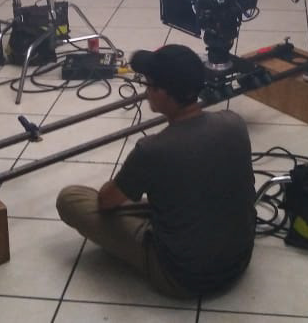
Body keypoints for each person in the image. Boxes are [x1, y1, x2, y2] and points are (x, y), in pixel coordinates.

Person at [56, 45, 255, 298]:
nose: (146, 92)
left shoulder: (152, 149)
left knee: (71, 198)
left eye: (149, 85)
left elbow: (106, 202)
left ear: (164, 93)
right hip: (239, 258)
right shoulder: (233, 122)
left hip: (183, 278)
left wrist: (126, 180)